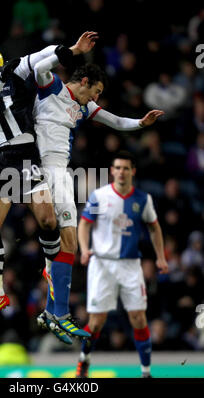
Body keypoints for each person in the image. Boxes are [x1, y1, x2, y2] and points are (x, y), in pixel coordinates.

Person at [32, 42, 164, 345]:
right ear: (84, 82)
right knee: (54, 231)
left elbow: (116, 121)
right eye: (96, 90)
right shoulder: (52, 86)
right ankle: (54, 310)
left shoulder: (84, 106)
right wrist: (73, 51)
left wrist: (142, 123)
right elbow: (39, 67)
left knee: (68, 241)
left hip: (60, 170)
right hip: (35, 168)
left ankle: (54, 313)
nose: (97, 97)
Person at [0, 44, 62, 320]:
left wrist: (71, 49)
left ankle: (52, 271)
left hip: (26, 152)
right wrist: (3, 78)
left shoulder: (13, 70)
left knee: (48, 220)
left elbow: (41, 56)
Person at [75, 151, 169, 378]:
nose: (121, 172)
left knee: (138, 317)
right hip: (102, 265)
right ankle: (83, 360)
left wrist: (161, 257)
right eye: (118, 167)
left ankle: (146, 371)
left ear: (132, 171)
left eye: (126, 168)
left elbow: (154, 227)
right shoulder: (99, 196)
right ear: (112, 170)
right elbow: (85, 224)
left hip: (129, 265)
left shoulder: (142, 199)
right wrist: (84, 248)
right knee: (96, 323)